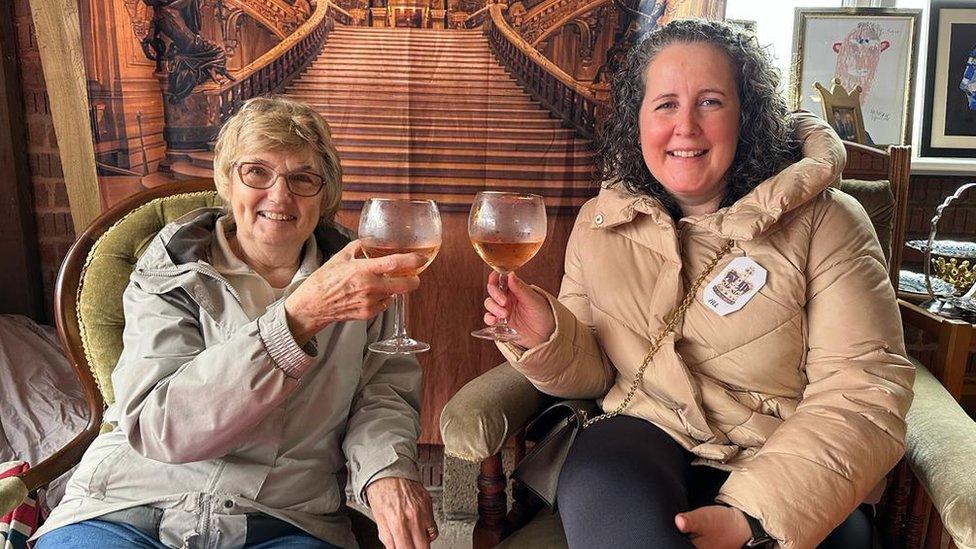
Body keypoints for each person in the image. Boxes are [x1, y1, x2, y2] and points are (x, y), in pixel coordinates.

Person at [479, 19, 914, 549]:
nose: (685, 126)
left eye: (709, 102)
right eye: (664, 104)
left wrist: (753, 518)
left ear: (747, 117)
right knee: (603, 479)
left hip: (789, 454)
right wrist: (547, 336)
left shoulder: (830, 222)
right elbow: (595, 376)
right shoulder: (601, 222)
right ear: (637, 122)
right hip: (643, 433)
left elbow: (864, 393)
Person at [33, 96, 437, 549]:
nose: (279, 195)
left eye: (302, 178)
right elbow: (161, 426)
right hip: (129, 508)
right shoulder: (169, 271)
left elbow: (380, 397)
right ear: (227, 181)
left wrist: (386, 473)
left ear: (325, 194)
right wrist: (298, 319)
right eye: (257, 172)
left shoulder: (361, 277)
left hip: (284, 517)